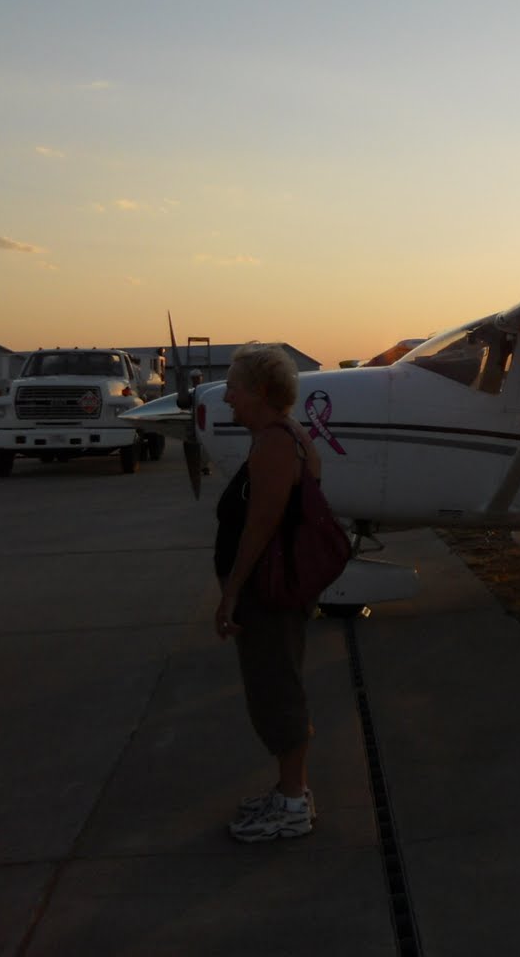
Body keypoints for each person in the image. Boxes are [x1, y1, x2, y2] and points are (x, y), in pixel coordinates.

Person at [213, 342, 321, 842]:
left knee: (276, 691)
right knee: (276, 686)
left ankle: (292, 805)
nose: (227, 396)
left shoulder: (275, 442)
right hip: (276, 590)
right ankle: (287, 791)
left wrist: (230, 592)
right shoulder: (284, 436)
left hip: (268, 593)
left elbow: (262, 524)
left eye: (234, 386)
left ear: (258, 391)